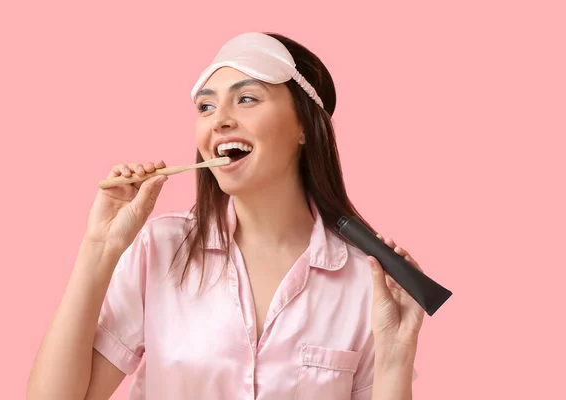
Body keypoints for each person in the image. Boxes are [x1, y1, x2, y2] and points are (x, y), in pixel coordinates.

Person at [27, 31, 425, 400]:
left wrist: (396, 357)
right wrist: (100, 247)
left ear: (304, 124)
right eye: (205, 106)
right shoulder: (161, 249)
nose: (219, 120)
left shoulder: (365, 282)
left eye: (246, 98)